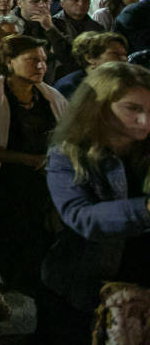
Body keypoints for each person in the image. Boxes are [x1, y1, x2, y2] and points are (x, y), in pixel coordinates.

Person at [41, 62, 150, 343]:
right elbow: (82, 217)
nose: (145, 121)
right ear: (99, 107)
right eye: (133, 109)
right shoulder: (68, 156)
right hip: (86, 286)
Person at [0, 35, 68, 319]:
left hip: (39, 184)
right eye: (32, 60)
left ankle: (22, 285)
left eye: (43, 61)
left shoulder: (49, 97)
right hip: (1, 183)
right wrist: (31, 159)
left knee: (33, 237)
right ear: (9, 62)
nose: (40, 66)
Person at [53, 31, 129, 99]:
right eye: (115, 53)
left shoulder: (126, 83)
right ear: (90, 58)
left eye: (125, 54)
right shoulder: (69, 87)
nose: (124, 59)